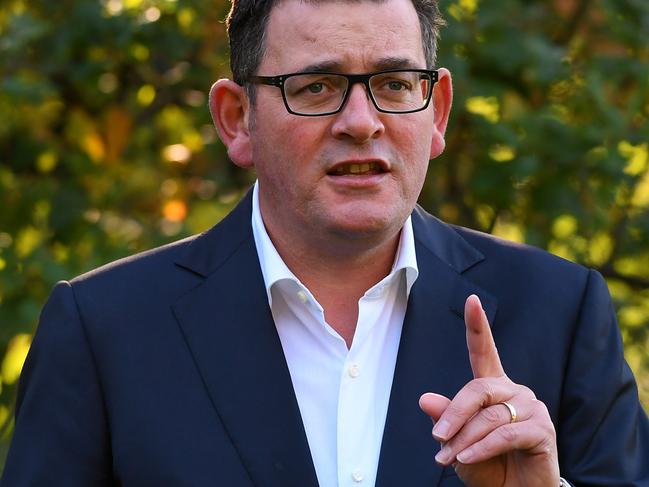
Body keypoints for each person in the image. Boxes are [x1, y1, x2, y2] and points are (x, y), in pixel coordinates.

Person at [2, 0, 648, 485]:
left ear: (437, 112)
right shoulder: (104, 329)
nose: (362, 123)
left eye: (394, 85)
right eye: (316, 87)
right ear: (237, 119)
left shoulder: (559, 313)